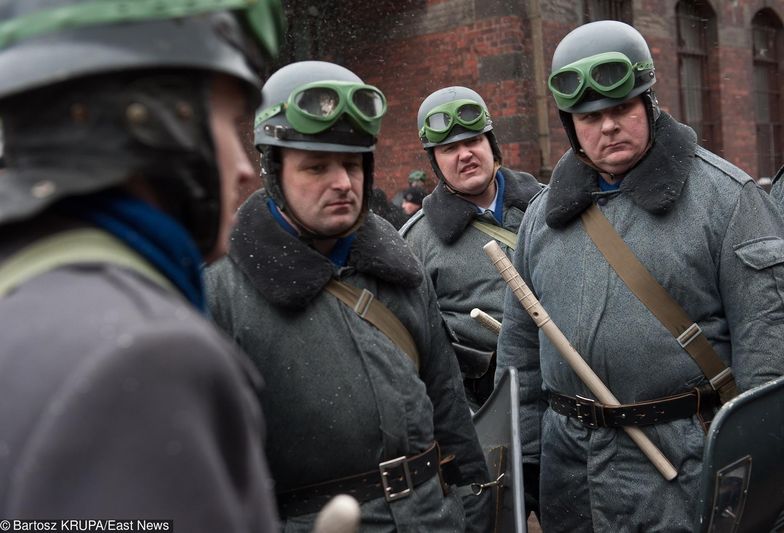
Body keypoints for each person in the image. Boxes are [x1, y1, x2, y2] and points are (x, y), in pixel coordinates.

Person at [0, 1, 285, 530]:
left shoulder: (22, 301)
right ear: (159, 122)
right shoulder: (147, 357)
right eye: (229, 124)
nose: (245, 168)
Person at [496, 20, 784, 532]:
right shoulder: (542, 217)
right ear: (570, 125)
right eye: (590, 116)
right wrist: (526, 461)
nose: (608, 126)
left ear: (649, 103)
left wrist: (757, 473)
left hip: (684, 469)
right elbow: (520, 354)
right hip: (572, 477)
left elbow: (767, 348)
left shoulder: (728, 200)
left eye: (621, 108)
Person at [204, 61, 493, 532]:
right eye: (316, 167)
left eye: (352, 164)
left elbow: (447, 403)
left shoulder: (399, 262)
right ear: (274, 171)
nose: (342, 182)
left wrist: (473, 505)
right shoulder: (222, 292)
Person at [400, 86, 542, 410]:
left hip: (569, 401)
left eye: (473, 141)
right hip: (488, 406)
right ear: (435, 161)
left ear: (491, 145)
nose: (465, 154)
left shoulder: (548, 208)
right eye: (449, 148)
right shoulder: (416, 241)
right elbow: (415, 346)